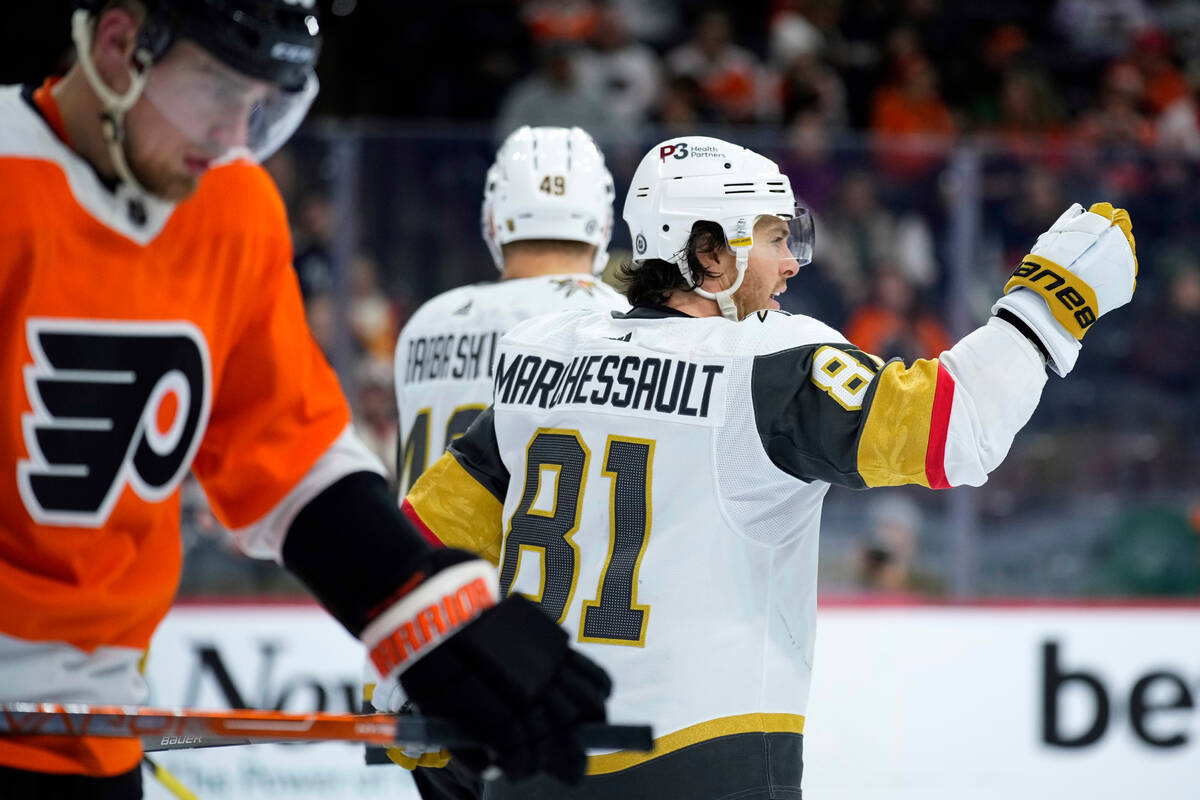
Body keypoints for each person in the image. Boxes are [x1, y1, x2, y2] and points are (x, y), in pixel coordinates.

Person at [401, 135, 1138, 798]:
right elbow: (956, 430)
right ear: (710, 254)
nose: (791, 262)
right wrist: (1048, 302)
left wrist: (421, 687)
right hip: (700, 760)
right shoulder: (764, 364)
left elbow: (429, 531)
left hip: (533, 762)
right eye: (774, 237)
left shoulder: (541, 352)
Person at [0, 2, 611, 798]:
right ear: (120, 43)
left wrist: (429, 616)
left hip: (87, 733)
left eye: (262, 106)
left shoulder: (231, 206)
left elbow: (284, 454)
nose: (235, 136)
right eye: (220, 92)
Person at [378, 125, 628, 799]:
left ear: (494, 217)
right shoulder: (615, 321)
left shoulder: (425, 325)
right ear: (603, 217)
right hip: (545, 668)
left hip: (429, 661)